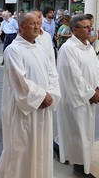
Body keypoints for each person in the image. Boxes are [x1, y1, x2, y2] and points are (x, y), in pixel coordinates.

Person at [0, 12, 61, 178]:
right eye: (32, 23)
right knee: (21, 148)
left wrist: (51, 94)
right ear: (22, 27)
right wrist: (41, 96)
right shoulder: (13, 50)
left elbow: (52, 73)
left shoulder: (40, 48)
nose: (37, 27)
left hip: (43, 108)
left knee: (41, 148)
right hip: (23, 110)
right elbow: (20, 81)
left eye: (38, 23)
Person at [56, 14, 99, 178]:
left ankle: (82, 164)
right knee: (78, 134)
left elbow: (95, 67)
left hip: (90, 96)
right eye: (86, 27)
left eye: (90, 27)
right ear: (74, 30)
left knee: (86, 133)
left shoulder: (87, 45)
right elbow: (73, 76)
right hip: (77, 99)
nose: (90, 30)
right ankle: (79, 168)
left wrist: (97, 88)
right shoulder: (68, 49)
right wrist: (90, 93)